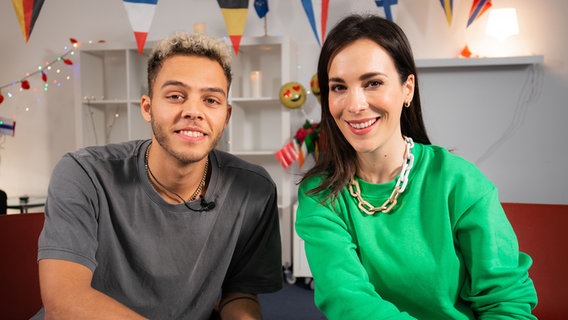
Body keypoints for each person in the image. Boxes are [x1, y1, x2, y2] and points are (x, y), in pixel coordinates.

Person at [295, 14, 537, 319]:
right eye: (339, 87)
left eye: (373, 83)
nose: (354, 105)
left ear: (407, 88)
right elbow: (348, 300)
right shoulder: (320, 195)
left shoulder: (459, 182)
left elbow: (506, 302)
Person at [33, 32, 282, 320]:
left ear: (225, 117)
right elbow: (64, 304)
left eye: (211, 100)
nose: (193, 111)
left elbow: (239, 293)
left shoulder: (253, 190)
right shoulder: (84, 173)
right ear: (148, 108)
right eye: (176, 96)